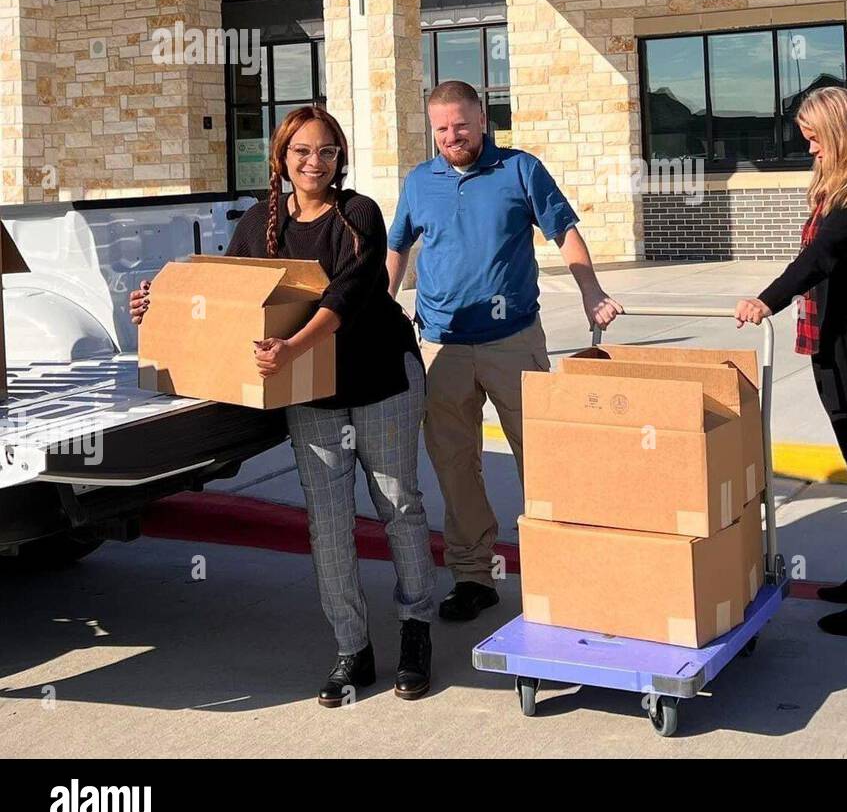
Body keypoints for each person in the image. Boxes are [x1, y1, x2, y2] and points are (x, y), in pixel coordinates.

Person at [131, 106, 439, 706]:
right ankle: (352, 648)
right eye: (302, 151)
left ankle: (415, 630)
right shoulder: (259, 224)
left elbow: (347, 294)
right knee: (328, 523)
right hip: (310, 391)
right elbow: (225, 291)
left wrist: (292, 346)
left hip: (382, 377)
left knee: (398, 504)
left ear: (339, 157)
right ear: (283, 158)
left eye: (326, 151)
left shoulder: (359, 215)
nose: (314, 162)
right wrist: (158, 302)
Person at [386, 80, 623, 623]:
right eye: (442, 128)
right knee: (454, 464)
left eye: (461, 125)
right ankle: (473, 577)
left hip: (511, 340)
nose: (452, 136)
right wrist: (383, 309)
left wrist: (591, 292)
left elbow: (564, 232)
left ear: (483, 121)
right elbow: (397, 247)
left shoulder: (520, 169)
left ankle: (565, 567)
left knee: (540, 457)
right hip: (441, 345)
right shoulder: (421, 181)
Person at [735, 86, 847, 637]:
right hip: (839, 345)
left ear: (839, 133)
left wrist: (767, 299)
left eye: (814, 138)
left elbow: (820, 256)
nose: (810, 149)